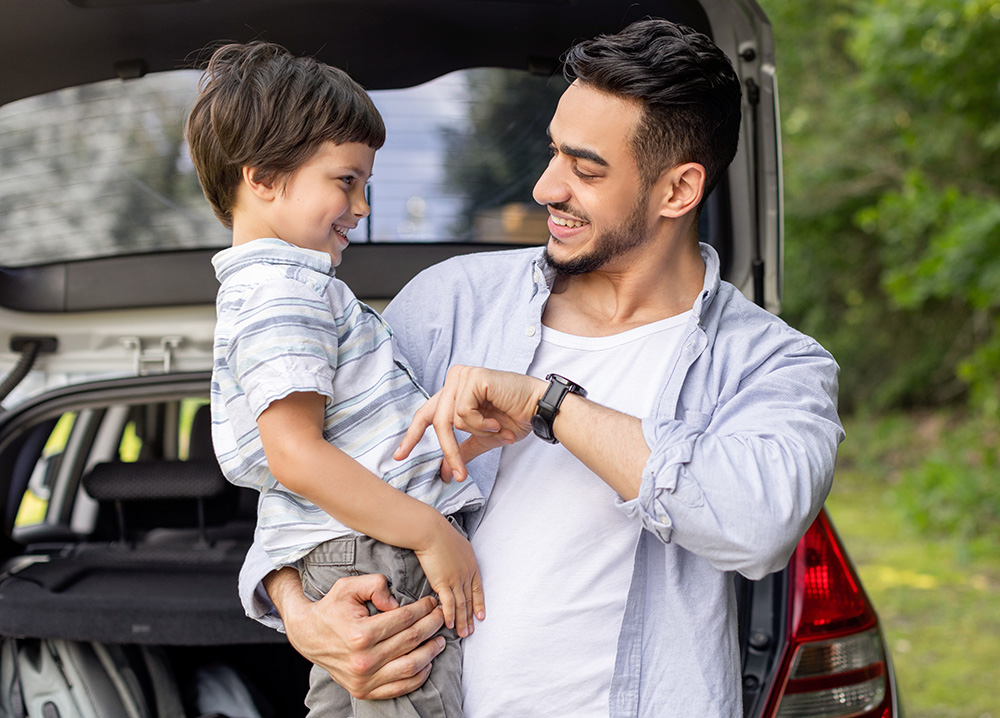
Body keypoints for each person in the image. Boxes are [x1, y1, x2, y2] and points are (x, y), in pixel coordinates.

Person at [240, 19, 845, 718]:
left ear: (678, 191)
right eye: (554, 152)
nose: (545, 187)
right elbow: (309, 471)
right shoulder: (447, 303)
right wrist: (296, 608)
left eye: (585, 169)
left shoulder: (773, 363)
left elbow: (758, 523)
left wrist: (550, 405)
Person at [186, 41, 496, 718]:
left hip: (342, 553)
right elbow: (295, 453)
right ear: (264, 176)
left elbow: (346, 433)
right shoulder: (287, 290)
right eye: (346, 180)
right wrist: (429, 531)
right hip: (379, 552)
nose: (360, 206)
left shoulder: (260, 288)